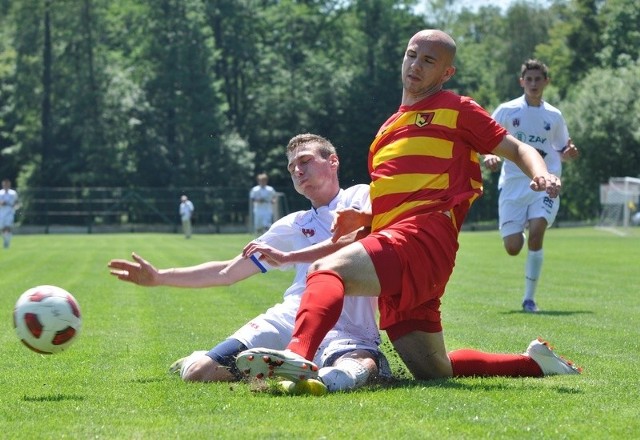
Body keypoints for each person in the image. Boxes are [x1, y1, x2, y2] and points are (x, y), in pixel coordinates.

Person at [236, 30, 581, 384]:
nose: (416, 65)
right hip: (402, 246)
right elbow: (403, 195)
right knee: (434, 370)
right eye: (412, 55)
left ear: (446, 73)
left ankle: (296, 356)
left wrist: (543, 175)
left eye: (429, 60)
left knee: (326, 270)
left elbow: (518, 148)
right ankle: (535, 363)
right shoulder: (385, 133)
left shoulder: (458, 109)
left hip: (423, 239)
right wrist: (367, 217)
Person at [108, 133, 390, 395]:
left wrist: (289, 258)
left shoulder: (360, 196)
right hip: (289, 318)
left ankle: (320, 378)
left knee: (360, 365)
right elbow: (227, 272)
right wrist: (159, 277)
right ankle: (198, 359)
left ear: (333, 161)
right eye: (292, 168)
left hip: (349, 323)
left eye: (305, 161)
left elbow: (356, 239)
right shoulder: (292, 225)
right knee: (198, 373)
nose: (298, 171)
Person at [483, 59, 579, 313]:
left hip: (546, 182)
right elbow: (484, 140)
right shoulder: (506, 110)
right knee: (513, 248)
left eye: (539, 79)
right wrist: (489, 156)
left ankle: (529, 299)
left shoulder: (554, 116)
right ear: (521, 81)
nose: (534, 84)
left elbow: (561, 149)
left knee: (537, 232)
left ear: (546, 82)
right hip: (513, 185)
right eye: (529, 79)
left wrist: (567, 154)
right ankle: (517, 227)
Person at [0, 178, 19, 249]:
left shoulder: (13, 193)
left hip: (10, 213)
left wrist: (16, 206)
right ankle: (6, 239)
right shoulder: (0, 193)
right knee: (2, 228)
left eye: (7, 184)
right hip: (1, 213)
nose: (6, 185)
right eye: (4, 184)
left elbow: (16, 202)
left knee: (8, 227)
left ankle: (7, 242)